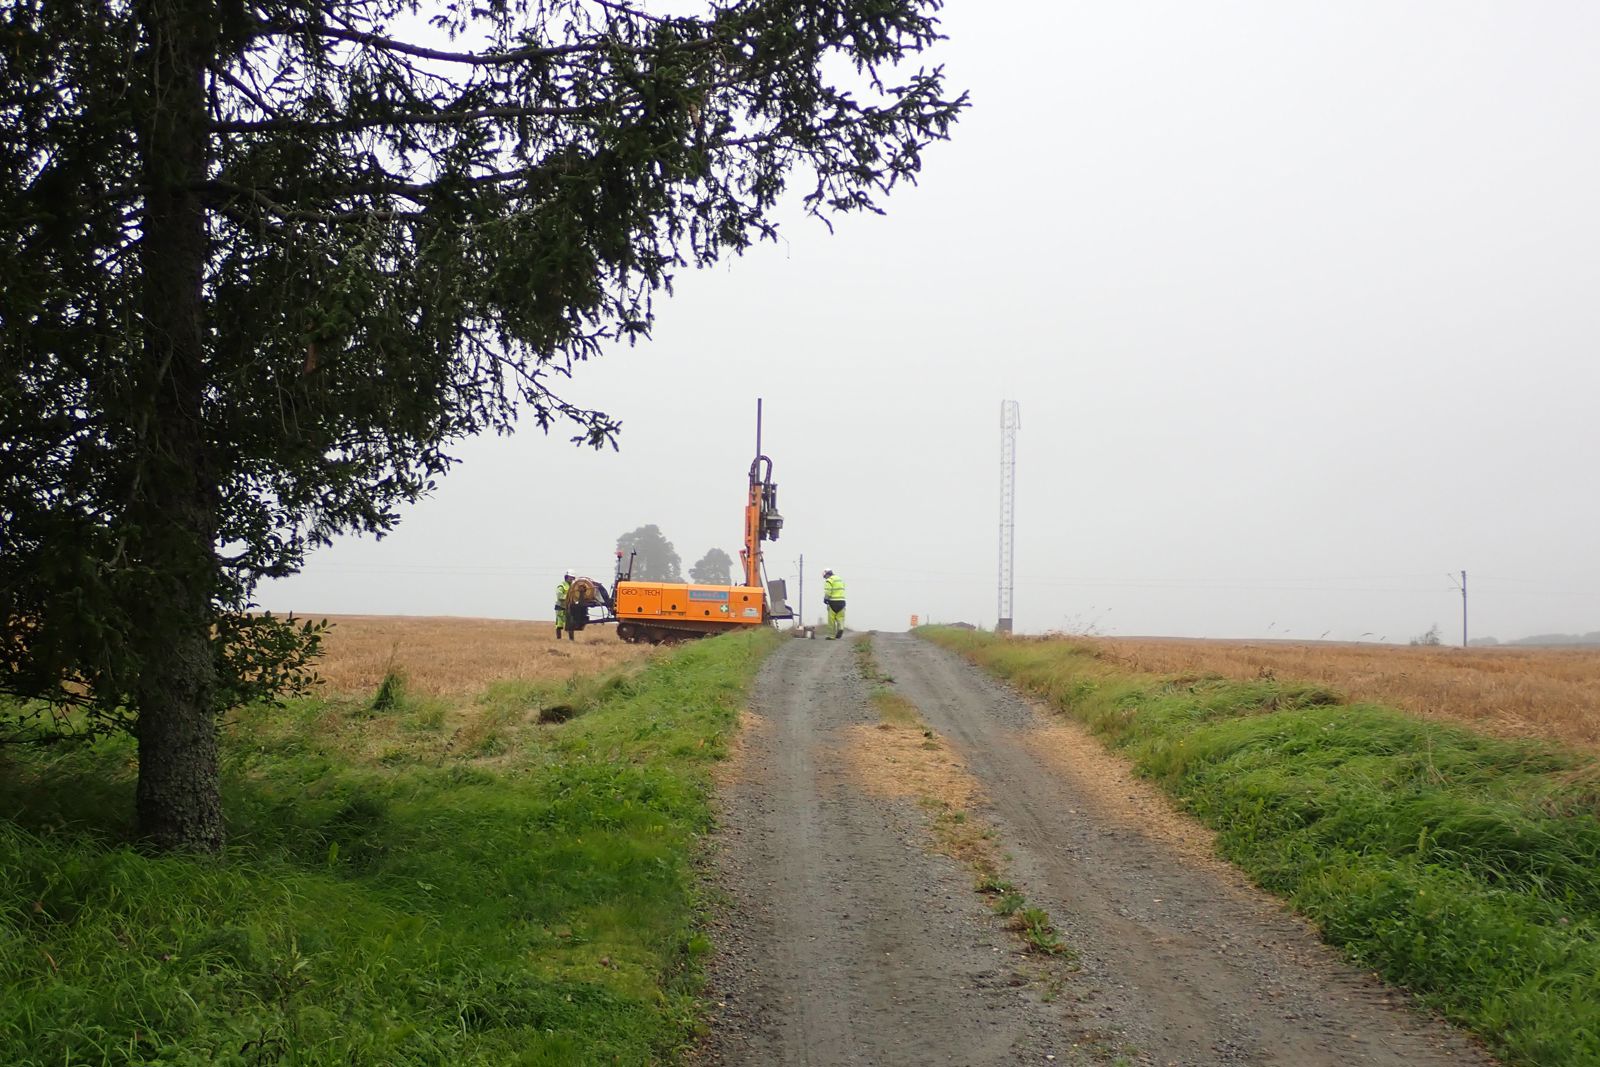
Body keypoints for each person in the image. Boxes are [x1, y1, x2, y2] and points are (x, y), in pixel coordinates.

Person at [822, 569, 846, 639]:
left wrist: (826, 599)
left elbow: (828, 591)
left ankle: (831, 636)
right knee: (840, 618)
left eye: (825, 576)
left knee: (831, 620)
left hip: (833, 602)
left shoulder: (829, 580)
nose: (825, 578)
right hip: (842, 602)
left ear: (827, 574)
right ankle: (841, 628)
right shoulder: (840, 579)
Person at [554, 571, 573, 640]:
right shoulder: (561, 586)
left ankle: (571, 640)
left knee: (570, 624)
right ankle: (559, 639)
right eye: (571, 577)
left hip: (568, 608)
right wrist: (569, 597)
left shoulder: (573, 586)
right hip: (560, 608)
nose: (572, 579)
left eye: (573, 577)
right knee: (559, 624)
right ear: (567, 578)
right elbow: (559, 596)